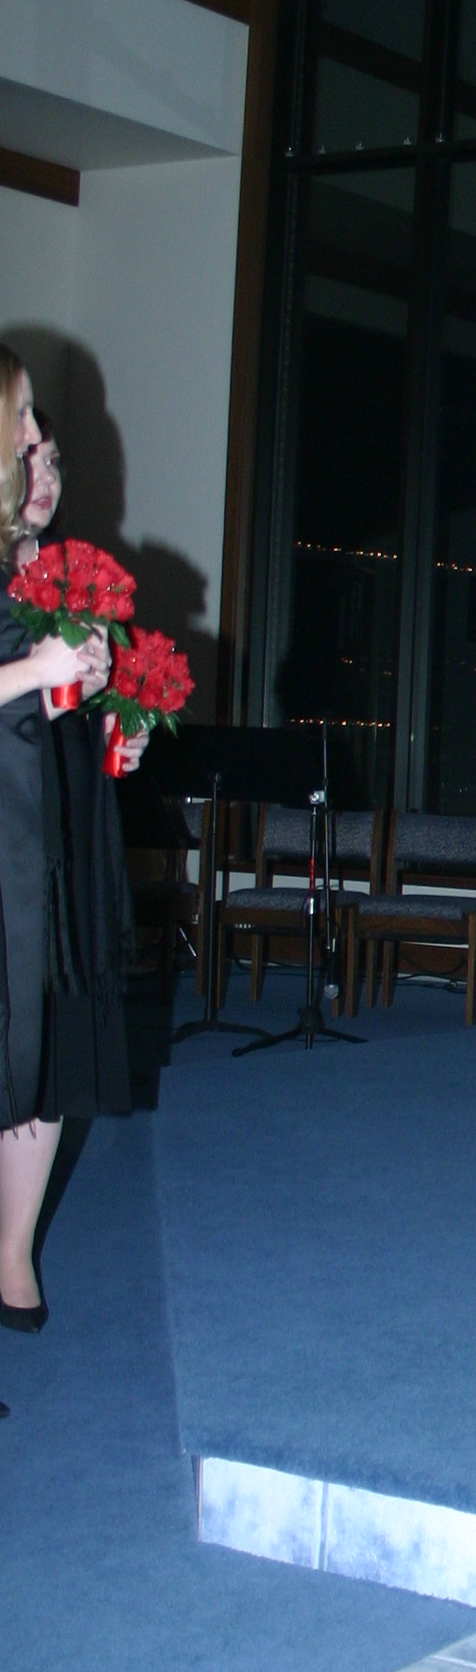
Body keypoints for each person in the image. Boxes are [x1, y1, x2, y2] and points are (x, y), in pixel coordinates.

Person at [0, 352, 112, 1337]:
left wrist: (103, 705)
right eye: (24, 418)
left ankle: (12, 1253)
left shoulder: (48, 563)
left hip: (44, 827)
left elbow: (53, 705)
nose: (39, 440)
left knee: (44, 1044)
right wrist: (35, 668)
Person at [14, 429, 148, 1123]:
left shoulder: (71, 575)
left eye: (54, 462)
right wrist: (39, 673)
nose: (46, 476)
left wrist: (121, 733)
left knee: (55, 1033)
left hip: (63, 817)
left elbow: (72, 707)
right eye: (27, 457)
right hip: (9, 820)